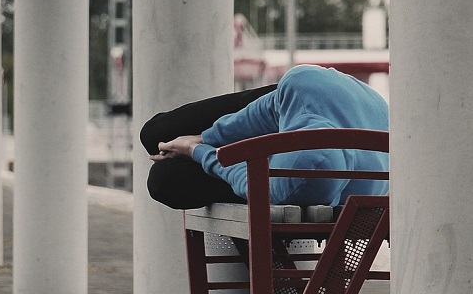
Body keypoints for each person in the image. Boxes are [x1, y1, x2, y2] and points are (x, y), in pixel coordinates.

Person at [141, 64, 389, 210]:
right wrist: (204, 138)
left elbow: (244, 177)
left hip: (340, 105)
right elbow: (257, 116)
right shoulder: (300, 88)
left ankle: (188, 150)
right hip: (318, 97)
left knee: (163, 179)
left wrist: (194, 150)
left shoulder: (299, 183)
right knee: (155, 136)